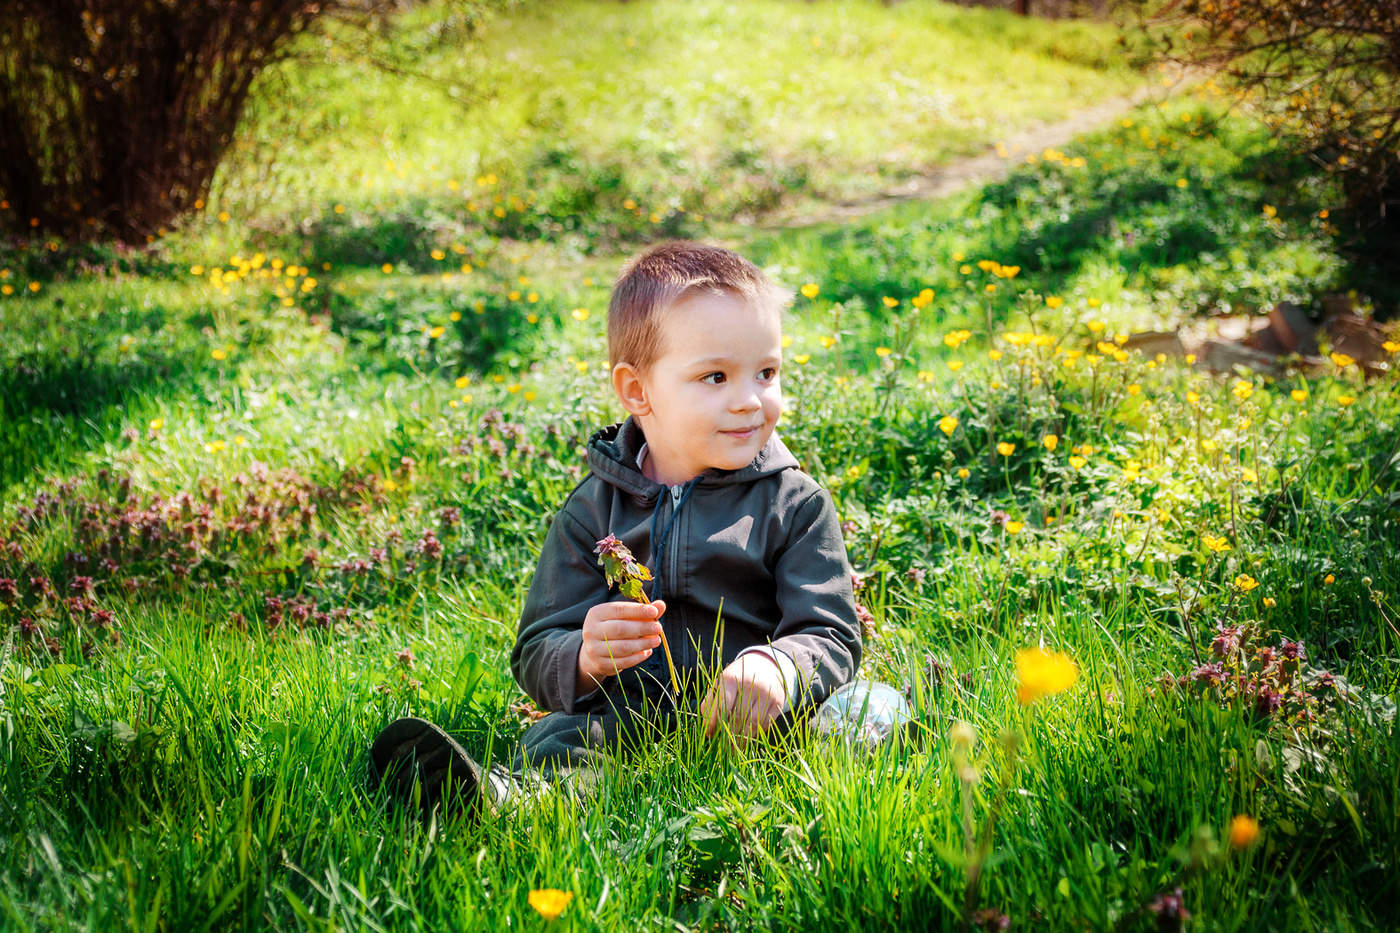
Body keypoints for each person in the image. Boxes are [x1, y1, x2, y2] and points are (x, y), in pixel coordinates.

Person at [369, 240, 862, 818]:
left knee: (857, 714)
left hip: (757, 723)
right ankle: (508, 802)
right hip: (626, 717)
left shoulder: (794, 503)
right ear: (636, 392)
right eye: (715, 377)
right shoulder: (593, 512)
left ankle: (855, 759)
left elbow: (832, 635)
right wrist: (583, 656)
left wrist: (778, 667)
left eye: (767, 372)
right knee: (561, 741)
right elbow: (535, 649)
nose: (750, 400)